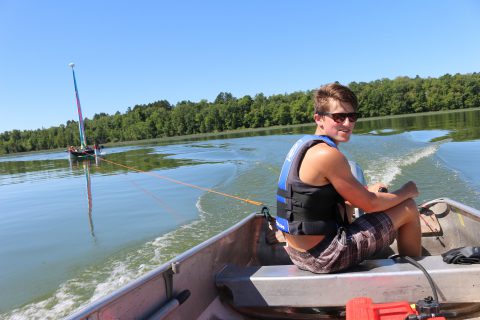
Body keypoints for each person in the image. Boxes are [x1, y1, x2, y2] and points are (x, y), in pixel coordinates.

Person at [276, 83, 421, 274]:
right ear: (319, 119)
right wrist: (407, 190)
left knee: (374, 194)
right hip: (325, 257)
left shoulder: (305, 146)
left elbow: (336, 196)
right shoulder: (328, 155)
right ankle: (415, 278)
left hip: (297, 253)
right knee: (408, 207)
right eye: (338, 117)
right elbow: (369, 205)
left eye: (352, 116)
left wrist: (370, 191)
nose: (347, 123)